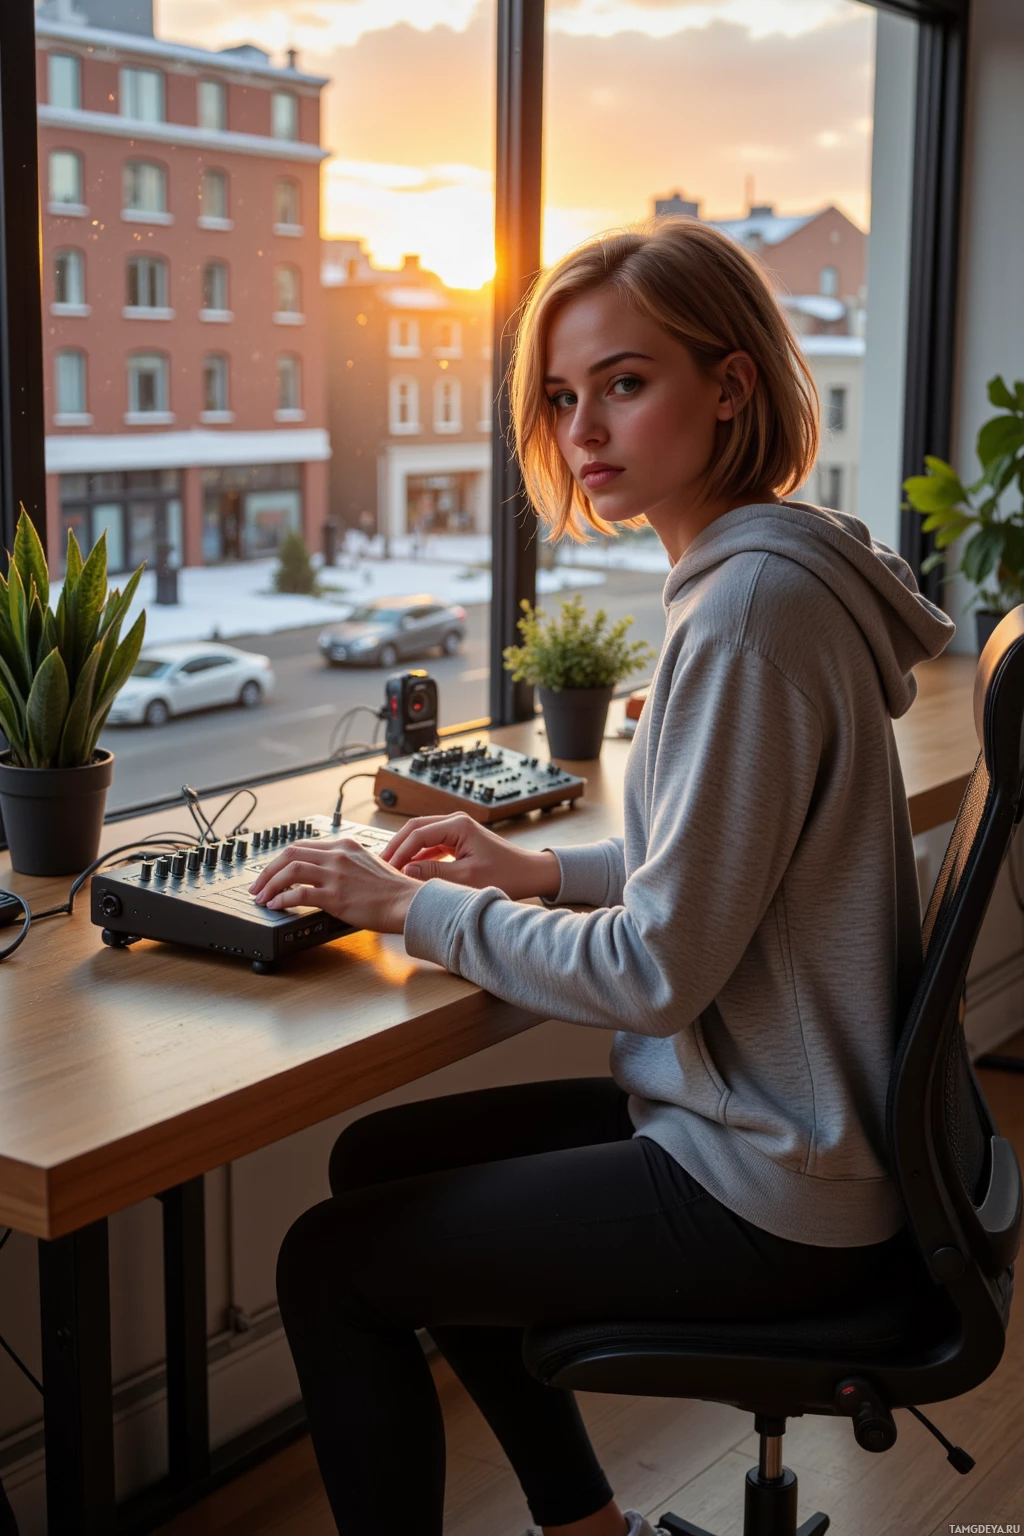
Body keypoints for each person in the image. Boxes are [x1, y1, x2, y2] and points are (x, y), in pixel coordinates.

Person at [251, 218, 954, 1536]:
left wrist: (410, 906)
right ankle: (587, 1526)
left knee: (329, 1264)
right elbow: (723, 859)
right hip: (787, 1128)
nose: (584, 430)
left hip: (774, 1182)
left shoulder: (744, 615)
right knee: (377, 1160)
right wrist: (537, 867)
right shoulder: (765, 573)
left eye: (625, 384)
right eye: (563, 398)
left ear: (731, 387)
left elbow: (659, 970)